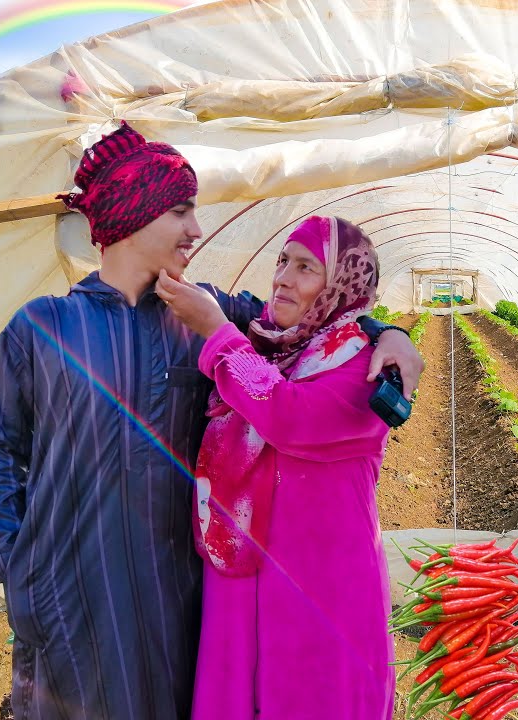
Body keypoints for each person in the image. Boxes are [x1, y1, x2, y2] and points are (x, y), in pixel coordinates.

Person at [0, 122, 423, 720]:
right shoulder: (42, 328)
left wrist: (386, 331)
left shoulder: (205, 317)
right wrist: (17, 563)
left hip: (177, 594)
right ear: (134, 215)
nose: (196, 229)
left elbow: (312, 318)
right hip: (71, 592)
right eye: (181, 212)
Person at [157, 214, 396, 719]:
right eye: (282, 260)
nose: (283, 276)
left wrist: (218, 335)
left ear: (341, 286)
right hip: (249, 563)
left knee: (311, 695)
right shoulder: (279, 344)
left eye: (306, 267)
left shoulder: (366, 365)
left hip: (321, 581)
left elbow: (286, 416)